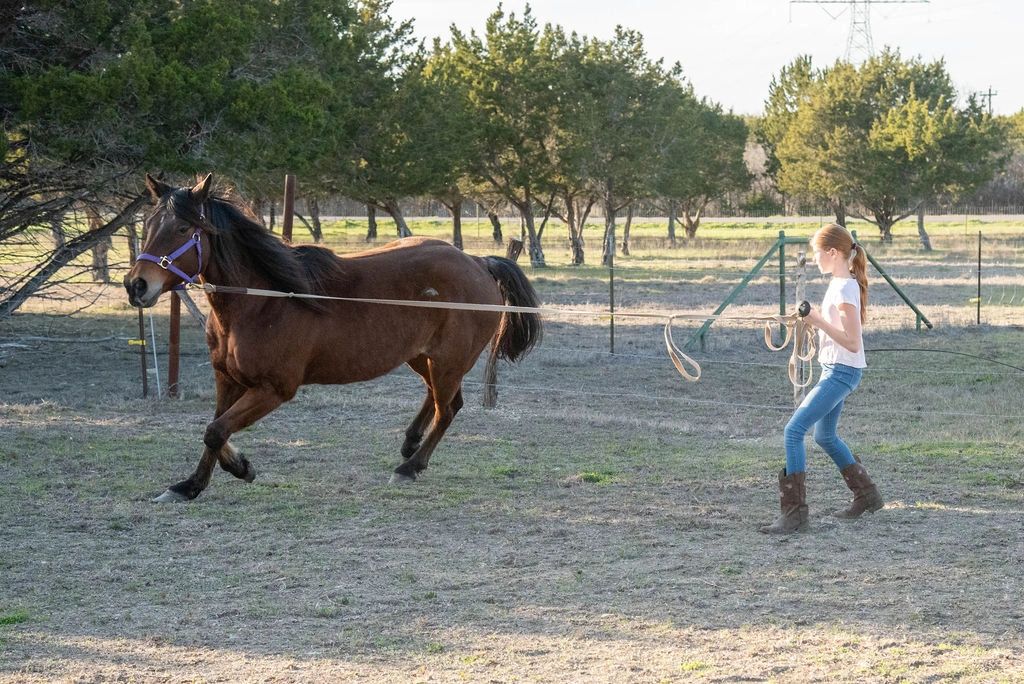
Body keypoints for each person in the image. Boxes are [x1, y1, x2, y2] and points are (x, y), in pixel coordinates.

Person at [760, 223, 884, 534]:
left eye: (818, 252)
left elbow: (853, 342)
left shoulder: (844, 289)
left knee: (793, 431)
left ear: (832, 252)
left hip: (842, 371)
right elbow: (840, 332)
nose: (815, 258)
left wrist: (816, 319)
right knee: (823, 436)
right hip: (837, 369)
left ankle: (795, 515)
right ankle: (867, 495)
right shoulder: (841, 283)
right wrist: (814, 322)